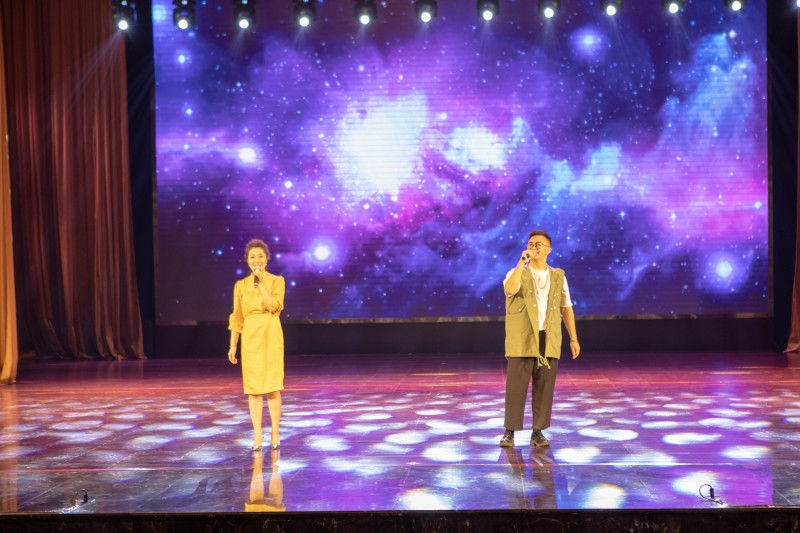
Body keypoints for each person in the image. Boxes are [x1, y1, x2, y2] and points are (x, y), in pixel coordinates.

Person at [499, 229, 580, 448]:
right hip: (523, 337)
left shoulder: (558, 276)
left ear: (548, 250)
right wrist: (521, 262)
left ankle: (538, 432)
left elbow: (566, 307)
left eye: (538, 244)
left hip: (548, 336)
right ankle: (509, 432)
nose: (534, 247)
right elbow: (509, 289)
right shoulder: (516, 271)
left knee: (544, 386)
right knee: (516, 386)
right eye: (531, 244)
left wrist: (573, 338)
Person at [228, 239, 285, 451]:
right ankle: (257, 434)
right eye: (252, 257)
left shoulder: (277, 281)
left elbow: (273, 306)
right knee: (253, 388)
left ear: (267, 259)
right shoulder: (240, 286)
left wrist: (261, 282)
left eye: (260, 256)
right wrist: (233, 345)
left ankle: (275, 432)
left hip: (270, 333)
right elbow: (237, 317)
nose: (256, 260)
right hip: (251, 336)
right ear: (247, 261)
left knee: (272, 386)